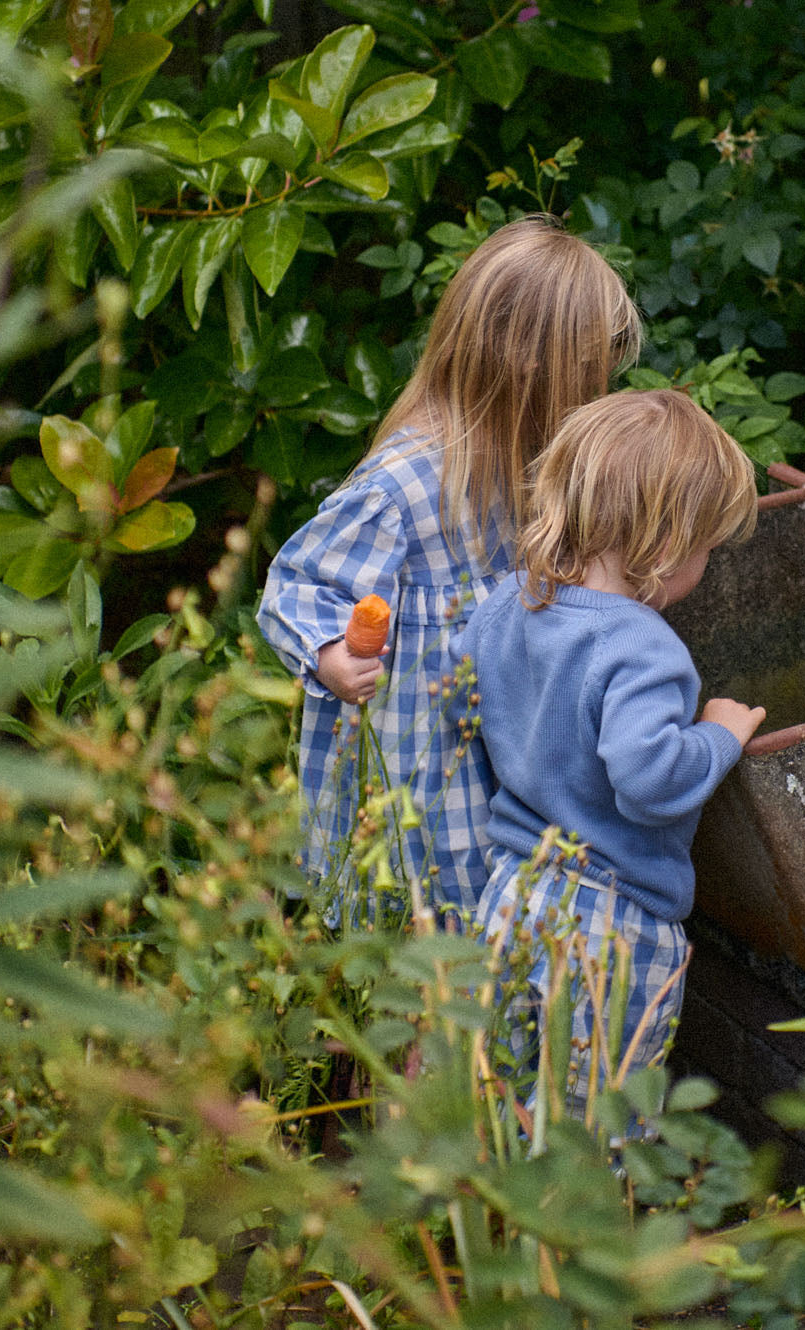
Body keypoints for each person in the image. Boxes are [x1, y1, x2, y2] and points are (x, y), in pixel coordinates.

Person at [256, 215, 641, 927]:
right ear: (530, 363)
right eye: (587, 373)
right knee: (419, 913)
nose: (595, 392)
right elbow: (297, 587)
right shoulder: (402, 487)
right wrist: (333, 655)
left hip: (488, 746)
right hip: (418, 764)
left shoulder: (522, 463)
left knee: (483, 910)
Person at [454, 388, 765, 1126]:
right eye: (707, 549)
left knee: (498, 1099)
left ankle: (482, 1199)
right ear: (665, 550)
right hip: (611, 925)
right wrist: (720, 734)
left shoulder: (510, 602)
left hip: (514, 896)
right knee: (597, 1125)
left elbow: (467, 692)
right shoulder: (641, 646)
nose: (708, 564)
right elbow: (649, 780)